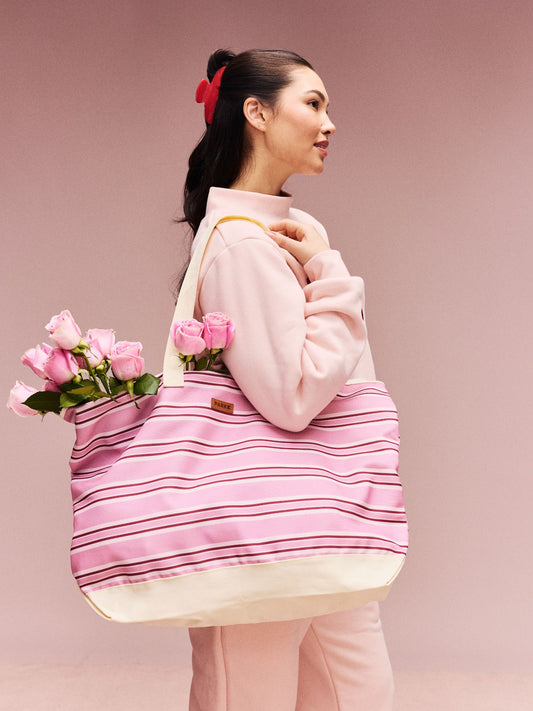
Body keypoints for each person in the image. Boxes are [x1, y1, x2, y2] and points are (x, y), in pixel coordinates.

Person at [182, 49, 394, 711]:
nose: (329, 123)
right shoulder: (242, 242)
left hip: (316, 515)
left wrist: (325, 264)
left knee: (359, 692)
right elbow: (294, 396)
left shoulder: (294, 229)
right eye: (313, 103)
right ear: (256, 112)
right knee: (248, 695)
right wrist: (333, 277)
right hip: (263, 525)